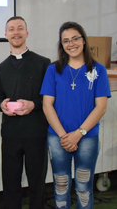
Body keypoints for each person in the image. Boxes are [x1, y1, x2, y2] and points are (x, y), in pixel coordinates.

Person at [40, 21, 111, 209]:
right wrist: (64, 136)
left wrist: (78, 133)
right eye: (65, 41)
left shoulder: (98, 70)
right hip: (58, 138)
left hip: (87, 137)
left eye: (75, 38)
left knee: (83, 186)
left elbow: (101, 107)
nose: (71, 44)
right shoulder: (53, 69)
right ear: (61, 45)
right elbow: (47, 105)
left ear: (84, 40)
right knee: (61, 185)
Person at [0, 16, 51, 209]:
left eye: (20, 28)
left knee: (37, 182)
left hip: (36, 131)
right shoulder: (1, 68)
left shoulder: (44, 64)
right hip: (10, 133)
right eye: (11, 29)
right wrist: (1, 104)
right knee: (10, 184)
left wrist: (33, 105)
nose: (16, 32)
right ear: (6, 35)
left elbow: (50, 98)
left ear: (26, 33)